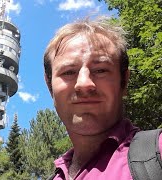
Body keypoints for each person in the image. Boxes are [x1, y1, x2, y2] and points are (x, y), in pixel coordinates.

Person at [43, 17, 162, 179]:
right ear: (49, 86)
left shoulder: (157, 154)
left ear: (124, 81)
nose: (84, 84)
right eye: (68, 72)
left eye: (101, 70)